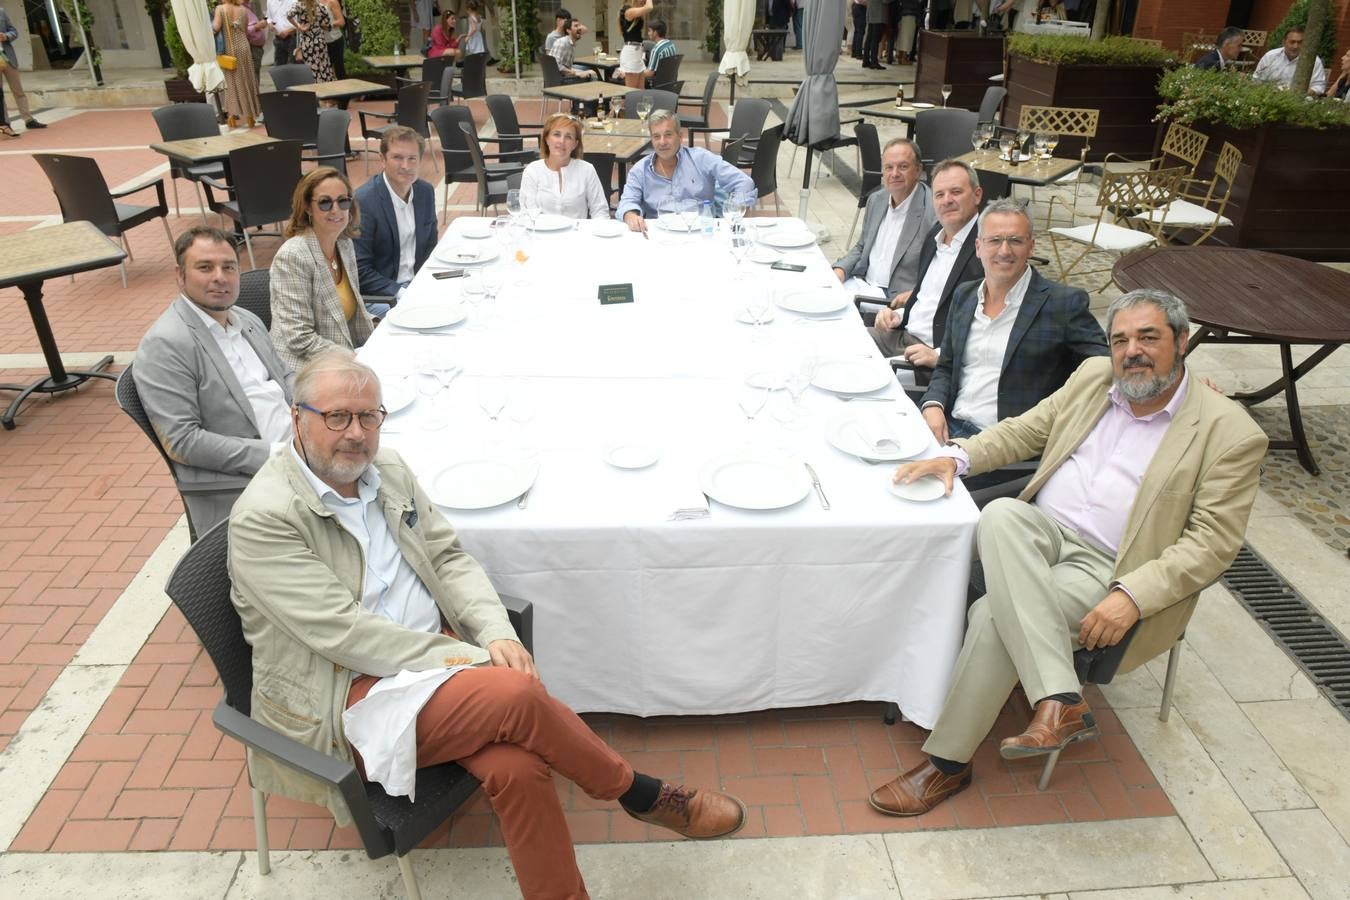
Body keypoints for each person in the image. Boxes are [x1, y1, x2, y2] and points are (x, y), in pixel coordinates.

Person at [229, 349, 748, 899]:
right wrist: (473, 659)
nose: (356, 433)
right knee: (516, 695)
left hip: (434, 664)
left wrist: (496, 631)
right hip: (351, 694)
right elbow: (346, 635)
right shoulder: (265, 518)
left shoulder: (389, 472)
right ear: (297, 418)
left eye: (368, 416)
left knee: (518, 769)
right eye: (337, 417)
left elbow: (448, 559)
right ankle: (641, 793)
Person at [867, 288, 1268, 819]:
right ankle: (1060, 698)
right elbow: (1028, 429)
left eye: (1148, 337)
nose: (1132, 351)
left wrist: (1132, 596)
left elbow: (1212, 543)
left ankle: (948, 764)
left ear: (1181, 341)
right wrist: (957, 458)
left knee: (991, 617)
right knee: (1001, 513)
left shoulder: (1230, 432)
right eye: (1120, 340)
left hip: (1112, 566)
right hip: (1042, 531)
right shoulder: (1094, 378)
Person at [134, 227, 293, 535]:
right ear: (180, 275)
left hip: (302, 451)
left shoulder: (246, 319)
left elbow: (285, 375)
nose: (220, 277)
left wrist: (319, 410)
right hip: (251, 482)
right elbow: (183, 441)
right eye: (205, 267)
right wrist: (277, 455)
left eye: (229, 267)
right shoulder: (166, 344)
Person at [918, 198, 1107, 443]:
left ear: (1031, 247)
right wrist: (933, 404)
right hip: (948, 426)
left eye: (1015, 240)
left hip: (1006, 445)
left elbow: (1103, 369)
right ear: (978, 247)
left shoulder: (1063, 304)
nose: (1004, 251)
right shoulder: (964, 295)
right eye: (995, 240)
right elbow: (946, 365)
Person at [869, 160, 985, 364]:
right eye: (939, 194)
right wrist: (898, 315)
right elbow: (926, 298)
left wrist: (939, 356)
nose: (947, 200)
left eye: (956, 192)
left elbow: (988, 326)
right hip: (902, 335)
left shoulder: (987, 247)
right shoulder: (935, 235)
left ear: (977, 195)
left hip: (931, 355)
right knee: (837, 339)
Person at [270, 167, 375, 371]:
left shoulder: (344, 244)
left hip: (342, 357)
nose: (336, 210)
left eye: (343, 201)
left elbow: (347, 316)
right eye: (325, 203)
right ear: (308, 207)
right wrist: (353, 359)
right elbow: (299, 338)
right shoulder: (293, 256)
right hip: (303, 366)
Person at [616, 109, 757, 233]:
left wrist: (733, 212)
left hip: (702, 234)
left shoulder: (702, 159)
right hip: (660, 236)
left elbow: (744, 183)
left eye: (668, 134)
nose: (662, 142)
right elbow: (627, 203)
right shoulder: (640, 170)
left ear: (680, 136)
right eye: (656, 136)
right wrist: (630, 216)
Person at [833, 138, 937, 306]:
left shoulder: (933, 211)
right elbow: (862, 247)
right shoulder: (876, 200)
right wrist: (840, 270)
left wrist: (915, 295)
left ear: (918, 170)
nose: (894, 174)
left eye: (903, 166)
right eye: (889, 167)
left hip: (895, 298)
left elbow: (938, 268)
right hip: (862, 285)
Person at [352, 126, 438, 304]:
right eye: (397, 157)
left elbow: (430, 247)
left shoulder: (425, 192)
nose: (406, 166)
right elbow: (359, 270)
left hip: (417, 285)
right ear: (382, 160)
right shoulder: (365, 201)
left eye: (412, 158)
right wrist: (402, 293)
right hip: (382, 296)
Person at [520, 112, 609, 220]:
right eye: (557, 134)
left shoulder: (587, 170)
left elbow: (600, 211)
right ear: (546, 139)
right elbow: (528, 213)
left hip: (578, 230)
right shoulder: (532, 171)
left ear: (575, 144)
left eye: (568, 137)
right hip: (541, 230)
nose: (562, 141)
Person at [213, 0, 262, 129]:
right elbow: (244, 30)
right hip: (244, 47)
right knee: (247, 79)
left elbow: (215, 28)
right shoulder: (243, 9)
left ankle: (232, 115)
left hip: (230, 49)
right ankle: (250, 115)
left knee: (231, 82)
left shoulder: (220, 9)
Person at [0, 5, 44, 134]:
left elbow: (13, 31)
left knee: (18, 90)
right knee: (0, 95)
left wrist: (6, 36)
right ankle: (5, 124)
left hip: (8, 57)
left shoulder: (1, 12)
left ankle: (29, 120)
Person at [1253, 27, 1327, 94]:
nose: (1295, 46)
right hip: (1270, 96)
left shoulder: (1314, 61)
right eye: (1292, 42)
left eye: (1300, 42)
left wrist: (1300, 93)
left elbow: (1319, 86)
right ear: (1284, 42)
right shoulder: (1270, 56)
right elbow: (1257, 79)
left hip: (1299, 99)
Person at [290, 0, 337, 83]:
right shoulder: (321, 7)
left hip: (307, 43)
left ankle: (313, 86)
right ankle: (325, 86)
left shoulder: (299, 6)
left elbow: (288, 15)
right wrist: (318, 24)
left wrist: (299, 26)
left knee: (310, 68)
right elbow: (328, 27)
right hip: (320, 42)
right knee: (323, 66)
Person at [618, 0, 654, 88]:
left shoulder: (634, 11)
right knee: (632, 91)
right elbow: (649, 7)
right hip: (631, 53)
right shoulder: (628, 12)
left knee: (640, 91)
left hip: (637, 52)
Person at [550, 17, 595, 81]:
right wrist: (576, 73)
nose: (579, 28)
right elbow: (555, 65)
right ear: (568, 30)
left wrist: (578, 72)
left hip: (565, 75)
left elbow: (585, 29)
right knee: (593, 77)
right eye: (576, 26)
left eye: (579, 26)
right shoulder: (562, 42)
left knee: (592, 71)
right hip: (561, 79)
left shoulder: (571, 43)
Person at [264, 0, 298, 68]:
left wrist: (288, 31)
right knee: (279, 66)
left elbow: (301, 22)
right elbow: (268, 16)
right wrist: (269, 23)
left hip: (293, 38)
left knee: (293, 66)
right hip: (278, 39)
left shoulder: (295, 1)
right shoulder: (270, 1)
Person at [322, 0, 347, 80]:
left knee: (339, 70)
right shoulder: (314, 2)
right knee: (324, 71)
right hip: (320, 43)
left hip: (335, 41)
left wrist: (329, 25)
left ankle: (344, 87)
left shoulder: (332, 2)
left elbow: (342, 22)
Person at [862, 0, 886, 70]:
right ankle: (874, 62)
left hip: (871, 14)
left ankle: (866, 61)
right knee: (875, 39)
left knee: (869, 39)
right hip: (878, 15)